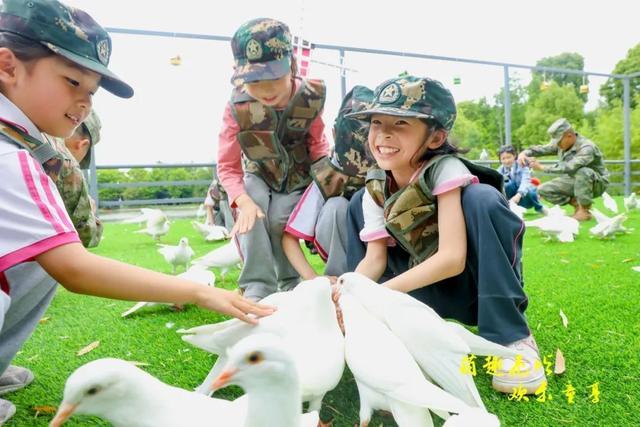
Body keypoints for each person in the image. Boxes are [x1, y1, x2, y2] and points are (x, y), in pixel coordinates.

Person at [0, 1, 273, 423]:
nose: (84, 101)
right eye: (73, 81)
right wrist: (200, 290)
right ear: (7, 65)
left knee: (40, 247)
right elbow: (75, 269)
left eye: (91, 91)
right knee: (49, 253)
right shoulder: (11, 158)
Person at [345, 75, 546, 395]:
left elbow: (452, 259)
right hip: (419, 296)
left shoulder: (446, 169)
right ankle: (375, 332)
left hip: (472, 292)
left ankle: (511, 337)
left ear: (436, 137)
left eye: (400, 122)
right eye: (376, 122)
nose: (383, 133)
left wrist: (379, 295)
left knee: (483, 200)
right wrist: (350, 298)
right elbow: (374, 261)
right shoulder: (374, 187)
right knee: (354, 204)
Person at [217, 18, 329, 301]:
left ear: (291, 66)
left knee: (280, 219)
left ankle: (289, 282)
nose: (266, 90)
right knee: (252, 210)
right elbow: (228, 166)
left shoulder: (310, 97)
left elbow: (318, 146)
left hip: (297, 179)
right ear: (238, 73)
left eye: (274, 78)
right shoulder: (236, 107)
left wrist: (325, 188)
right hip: (258, 174)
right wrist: (241, 201)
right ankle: (257, 286)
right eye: (254, 81)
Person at [283, 85, 374, 280]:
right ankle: (340, 279)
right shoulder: (327, 176)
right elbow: (290, 238)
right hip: (343, 250)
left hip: (384, 252)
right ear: (334, 134)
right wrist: (315, 279)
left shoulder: (394, 167)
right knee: (335, 206)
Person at [518, 118, 609, 221]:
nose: (557, 144)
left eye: (559, 141)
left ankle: (584, 210)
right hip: (574, 180)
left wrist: (542, 168)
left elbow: (570, 167)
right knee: (543, 190)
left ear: (569, 136)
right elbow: (543, 149)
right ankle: (577, 205)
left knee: (583, 171)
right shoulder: (562, 143)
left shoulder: (587, 147)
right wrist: (524, 153)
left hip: (596, 183)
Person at [43, 109, 103, 247]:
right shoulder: (64, 160)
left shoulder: (23, 131)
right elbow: (86, 235)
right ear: (82, 145)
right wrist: (90, 210)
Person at [497, 145, 547, 214]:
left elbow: (525, 182)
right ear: (500, 160)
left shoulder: (522, 165)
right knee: (506, 185)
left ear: (514, 156)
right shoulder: (500, 170)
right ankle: (509, 209)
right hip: (511, 199)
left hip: (526, 198)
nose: (506, 161)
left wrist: (518, 195)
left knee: (531, 190)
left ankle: (539, 208)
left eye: (509, 157)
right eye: (503, 158)